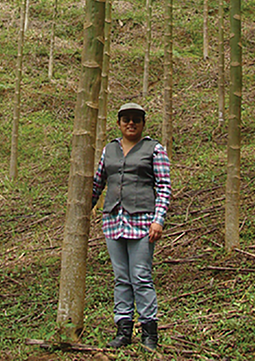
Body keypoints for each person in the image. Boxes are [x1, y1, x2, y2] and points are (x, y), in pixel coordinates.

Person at [92, 102, 171, 351]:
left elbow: (164, 187)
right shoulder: (109, 150)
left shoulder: (154, 149)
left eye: (136, 119)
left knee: (141, 276)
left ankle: (150, 333)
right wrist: (83, 210)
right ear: (119, 122)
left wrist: (158, 220)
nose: (131, 123)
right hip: (113, 221)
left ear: (143, 123)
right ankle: (123, 330)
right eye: (126, 119)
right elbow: (97, 183)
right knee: (121, 278)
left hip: (143, 222)